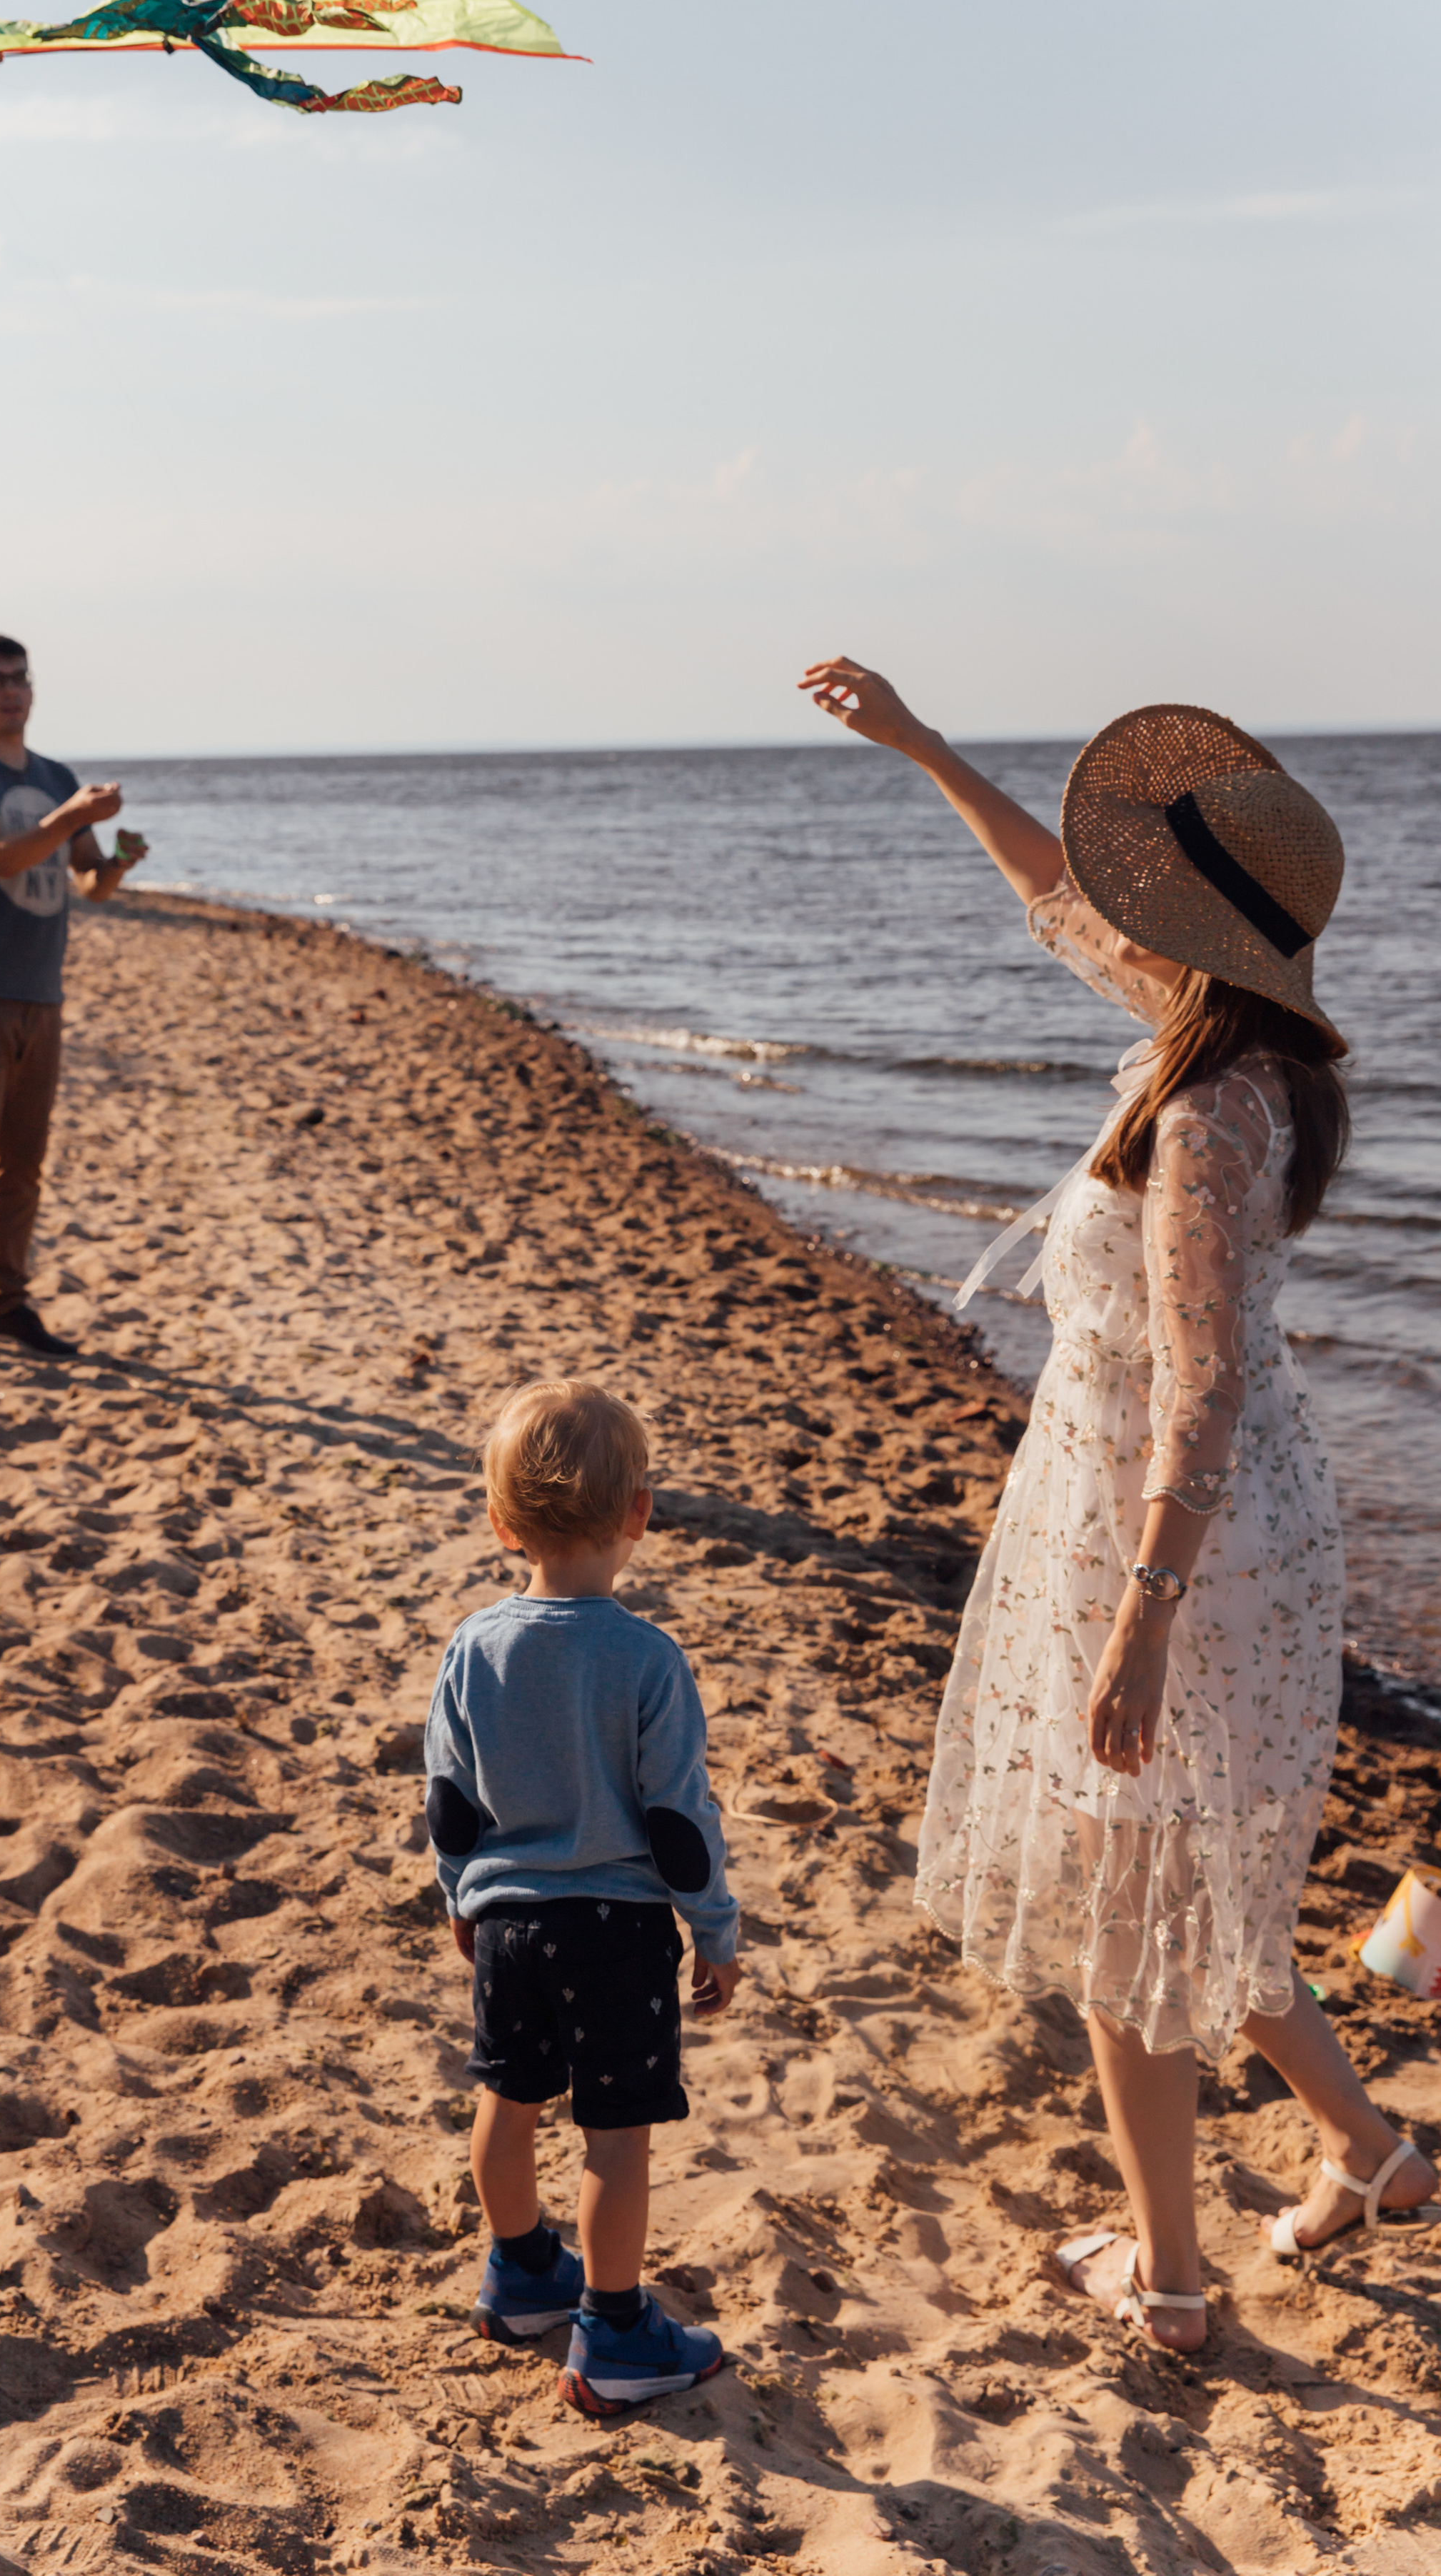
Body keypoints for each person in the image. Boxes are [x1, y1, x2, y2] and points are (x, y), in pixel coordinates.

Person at [799, 656, 1440, 2354]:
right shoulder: (1207, 1032)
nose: (1110, 906)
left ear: (1204, 925)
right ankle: (1369, 2153)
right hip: (1173, 1520)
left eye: (1146, 888)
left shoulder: (1210, 1111)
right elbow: (1043, 890)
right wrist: (916, 741)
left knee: (1129, 1916)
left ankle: (1162, 2279)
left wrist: (1141, 1621)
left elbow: (1205, 1380)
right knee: (1192, 1888)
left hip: (1182, 1542)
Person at [425, 1380, 741, 2412]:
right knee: (615, 2137)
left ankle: (519, 2275)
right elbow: (677, 1820)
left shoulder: (474, 1647)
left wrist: (462, 1901)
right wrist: (716, 1932)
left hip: (510, 1923)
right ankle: (612, 2332)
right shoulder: (647, 1660)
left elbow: (450, 1802)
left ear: (500, 1521)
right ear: (639, 1514)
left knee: (508, 2100)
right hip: (616, 1934)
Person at [0, 633, 147, 1355]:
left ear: (33, 689)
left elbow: (90, 884)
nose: (10, 691)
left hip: (40, 997)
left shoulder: (55, 775)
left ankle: (8, 1305)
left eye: (20, 678)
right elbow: (3, 855)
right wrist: (74, 816)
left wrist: (118, 861)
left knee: (22, 1164)